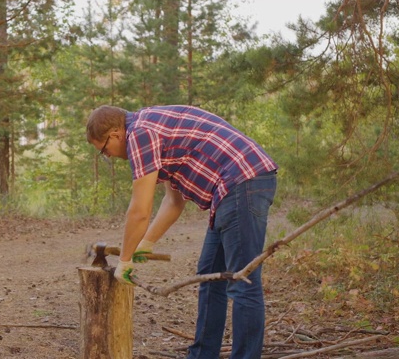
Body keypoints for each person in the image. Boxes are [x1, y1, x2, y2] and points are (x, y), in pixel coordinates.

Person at [86, 105, 278, 359]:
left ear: (115, 134)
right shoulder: (152, 131)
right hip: (229, 190)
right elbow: (173, 202)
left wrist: (124, 260)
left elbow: (139, 211)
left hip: (244, 180)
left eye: (103, 150)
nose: (108, 156)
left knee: (242, 282)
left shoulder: (140, 134)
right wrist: (146, 242)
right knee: (209, 278)